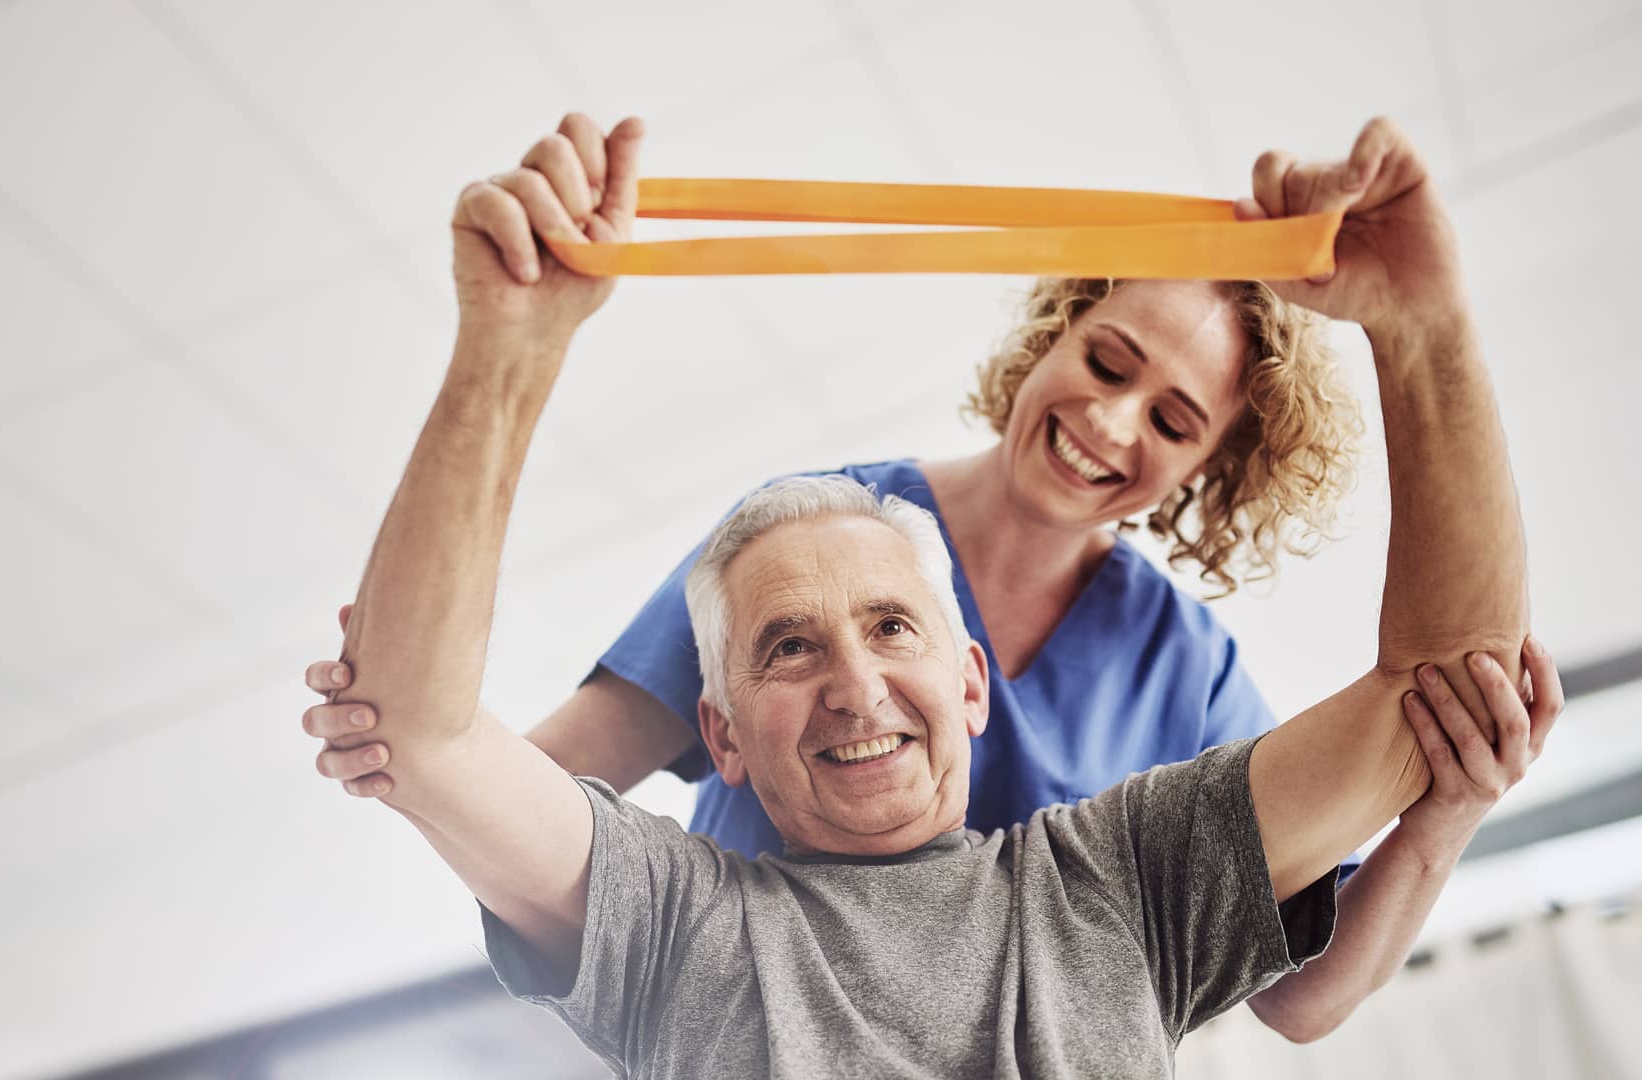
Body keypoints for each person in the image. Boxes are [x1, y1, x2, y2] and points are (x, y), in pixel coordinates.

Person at [301, 114, 1560, 1076]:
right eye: (790, 646)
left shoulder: (1125, 867)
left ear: (968, 682)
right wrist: (505, 365)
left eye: (896, 625)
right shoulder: (687, 896)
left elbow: (1430, 713)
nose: (857, 686)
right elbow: (460, 744)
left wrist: (1424, 327)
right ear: (719, 727)